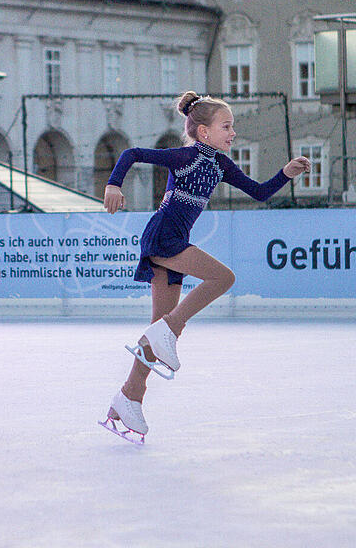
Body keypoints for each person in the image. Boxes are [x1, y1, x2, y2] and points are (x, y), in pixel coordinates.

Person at [99, 91, 311, 441]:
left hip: (172, 238)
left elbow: (258, 192)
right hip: (164, 235)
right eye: (226, 126)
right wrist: (113, 184)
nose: (233, 132)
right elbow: (131, 153)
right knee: (222, 278)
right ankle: (166, 332)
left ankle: (128, 397)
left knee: (161, 327)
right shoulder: (186, 156)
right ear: (203, 133)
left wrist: (286, 173)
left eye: (233, 126)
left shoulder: (221, 165)